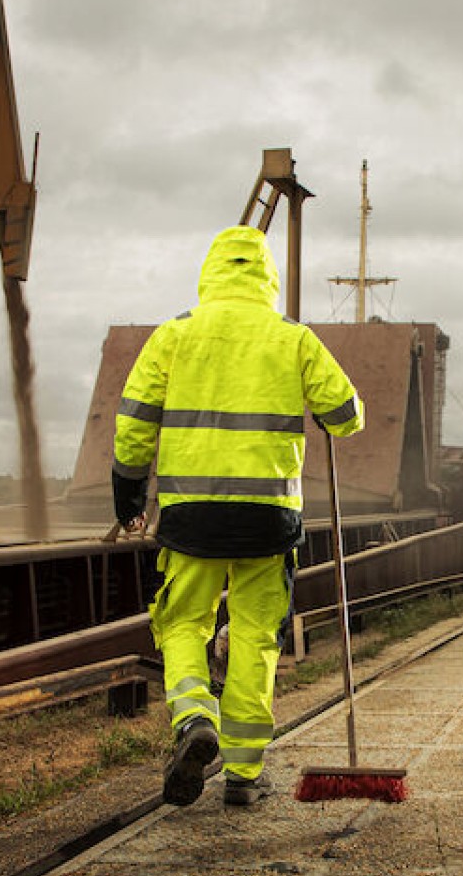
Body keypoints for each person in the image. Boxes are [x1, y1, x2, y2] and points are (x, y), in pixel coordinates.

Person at [112, 225, 364, 807]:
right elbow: (346, 414)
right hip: (266, 523)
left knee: (180, 624)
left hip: (190, 519)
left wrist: (127, 496)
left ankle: (193, 717)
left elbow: (132, 424)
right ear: (266, 278)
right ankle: (244, 775)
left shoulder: (173, 336)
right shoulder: (292, 338)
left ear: (210, 273)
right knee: (255, 637)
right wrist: (334, 413)